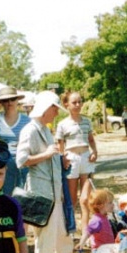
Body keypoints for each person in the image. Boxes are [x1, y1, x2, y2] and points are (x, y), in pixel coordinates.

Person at [16, 91, 76, 253]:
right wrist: (46, 155)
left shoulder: (45, 130)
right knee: (46, 240)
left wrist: (61, 161)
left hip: (56, 192)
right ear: (45, 107)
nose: (55, 114)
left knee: (63, 236)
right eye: (54, 109)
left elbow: (48, 159)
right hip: (42, 194)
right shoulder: (29, 131)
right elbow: (21, 160)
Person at [56, 91, 98, 229]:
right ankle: (70, 230)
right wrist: (62, 158)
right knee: (72, 199)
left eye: (80, 101)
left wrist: (95, 151)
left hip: (86, 158)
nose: (78, 105)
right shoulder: (62, 124)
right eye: (74, 102)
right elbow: (60, 145)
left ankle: (85, 233)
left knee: (85, 199)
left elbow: (91, 139)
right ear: (66, 104)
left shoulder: (87, 121)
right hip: (71, 160)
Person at [0, 86, 31, 195]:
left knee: (23, 196)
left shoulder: (28, 121)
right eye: (5, 100)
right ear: (1, 103)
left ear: (17, 101)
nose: (9, 103)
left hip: (24, 164)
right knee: (5, 196)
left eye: (12, 99)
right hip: (3, 164)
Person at [75, 189, 115, 253]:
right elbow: (87, 232)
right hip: (100, 250)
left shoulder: (104, 217)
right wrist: (81, 243)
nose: (113, 205)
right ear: (100, 206)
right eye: (110, 203)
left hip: (106, 249)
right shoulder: (96, 220)